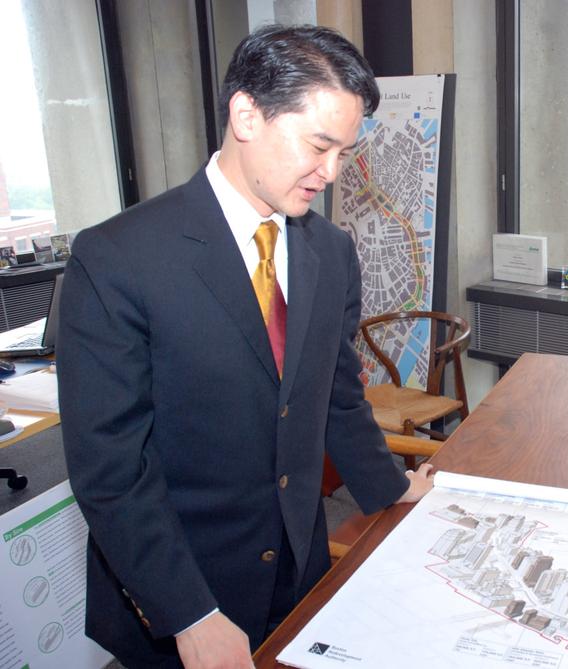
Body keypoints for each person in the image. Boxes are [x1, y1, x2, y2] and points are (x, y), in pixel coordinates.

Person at [58, 24, 433, 668]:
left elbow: (336, 394)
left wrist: (387, 486)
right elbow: (110, 470)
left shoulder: (330, 251)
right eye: (319, 145)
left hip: (298, 571)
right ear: (246, 115)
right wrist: (190, 614)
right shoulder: (118, 257)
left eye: (345, 152)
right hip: (181, 594)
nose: (332, 173)